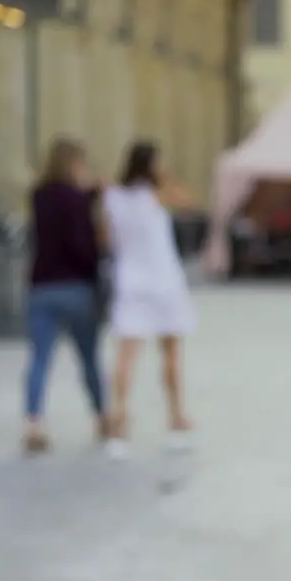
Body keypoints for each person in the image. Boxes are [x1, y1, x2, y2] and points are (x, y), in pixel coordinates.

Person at [100, 141, 197, 458]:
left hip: (130, 281)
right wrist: (166, 176)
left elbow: (104, 237)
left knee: (126, 357)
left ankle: (119, 422)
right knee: (170, 354)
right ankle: (176, 418)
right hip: (163, 281)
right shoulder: (156, 194)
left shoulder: (113, 196)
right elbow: (188, 202)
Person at [23, 138, 108, 453]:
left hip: (41, 286)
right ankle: (101, 417)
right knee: (88, 358)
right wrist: (95, 267)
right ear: (74, 163)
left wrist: (89, 194)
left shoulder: (38, 197)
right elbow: (80, 243)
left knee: (39, 358)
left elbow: (56, 208)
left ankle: (33, 422)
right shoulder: (76, 200)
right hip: (75, 287)